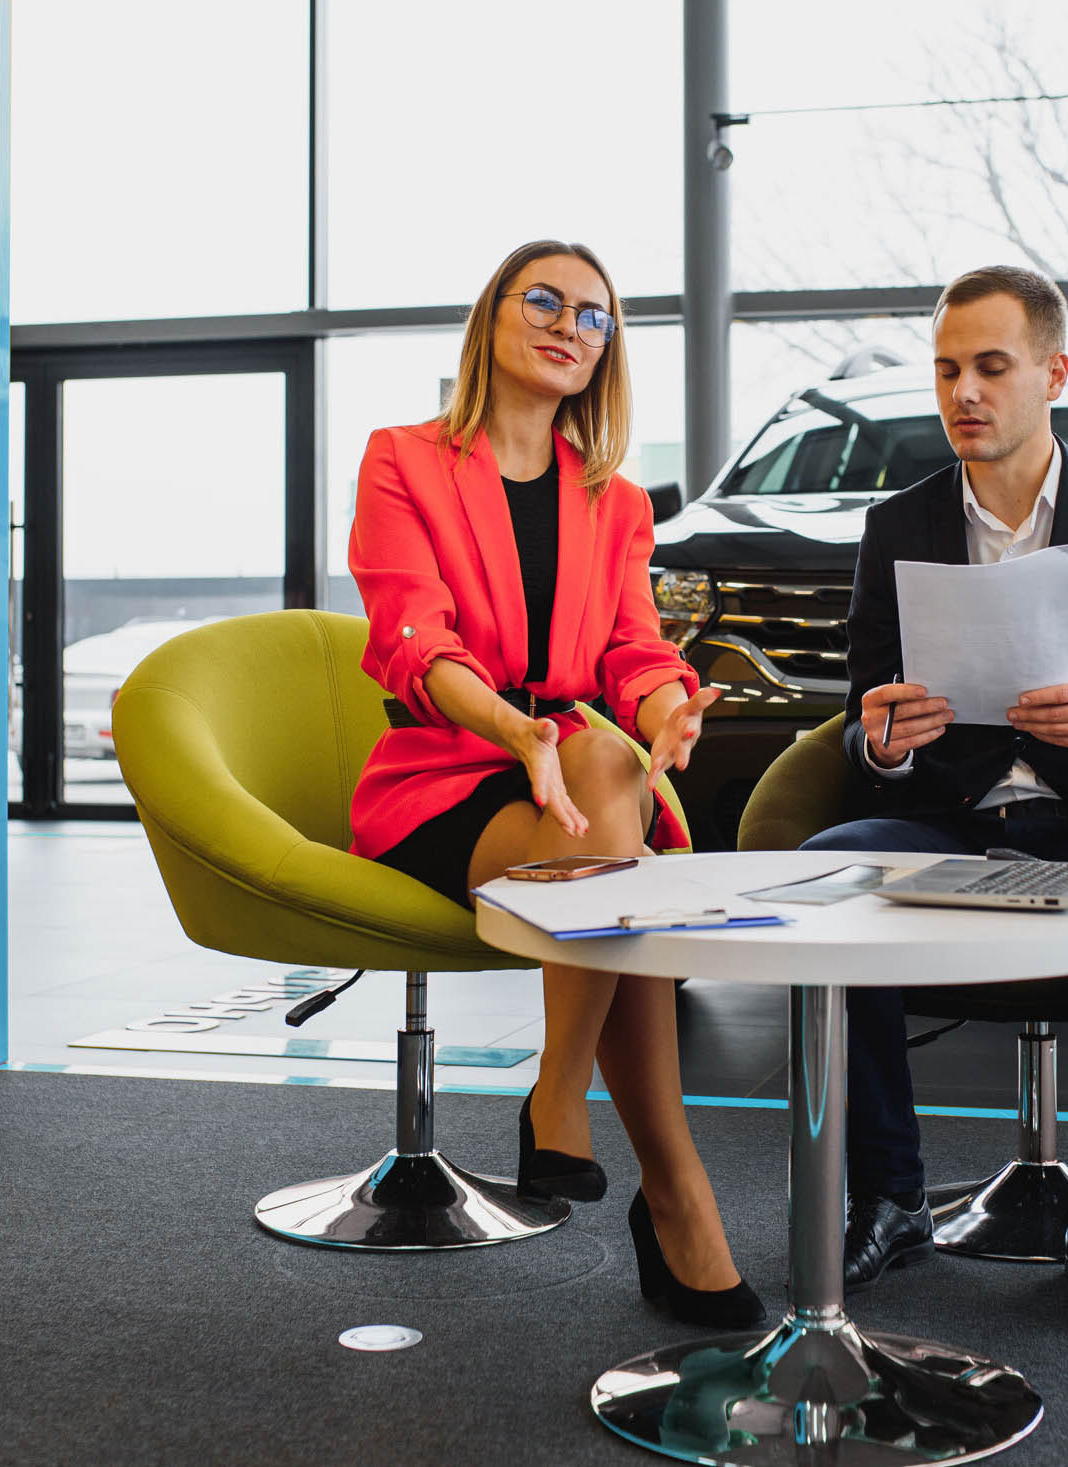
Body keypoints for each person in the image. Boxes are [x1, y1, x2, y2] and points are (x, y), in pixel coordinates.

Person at [346, 239, 761, 1328]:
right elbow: (410, 639)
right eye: (545, 300)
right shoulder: (403, 458)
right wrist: (512, 728)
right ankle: (665, 1194)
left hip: (580, 790)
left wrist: (670, 704)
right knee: (613, 839)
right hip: (448, 776)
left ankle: (566, 1100)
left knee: (606, 777)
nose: (568, 326)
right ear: (493, 315)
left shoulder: (615, 503)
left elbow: (630, 651)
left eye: (593, 317)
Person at [804, 264, 1068, 1326]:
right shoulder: (896, 525)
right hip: (946, 813)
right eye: (946, 369)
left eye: (990, 366)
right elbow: (860, 719)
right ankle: (887, 1195)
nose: (962, 392)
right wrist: (880, 740)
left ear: (1052, 373)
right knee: (826, 868)